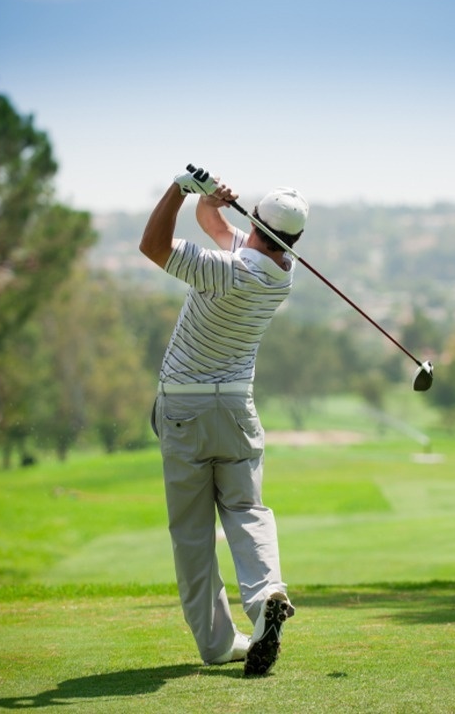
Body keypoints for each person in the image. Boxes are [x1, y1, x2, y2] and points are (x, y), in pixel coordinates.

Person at [139, 166, 309, 676]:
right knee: (247, 510)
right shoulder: (282, 269)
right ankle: (266, 599)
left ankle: (217, 644)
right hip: (236, 410)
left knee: (193, 534)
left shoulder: (227, 269)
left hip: (186, 410)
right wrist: (211, 198)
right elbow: (213, 224)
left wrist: (177, 187)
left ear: (254, 223)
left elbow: (153, 245)